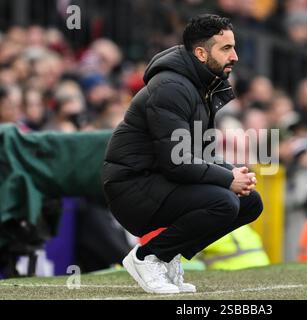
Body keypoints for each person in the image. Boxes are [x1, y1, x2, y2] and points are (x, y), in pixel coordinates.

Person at [101, 14, 263, 294]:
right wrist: (226, 179)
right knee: (224, 201)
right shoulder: (171, 87)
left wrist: (235, 174)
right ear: (200, 53)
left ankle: (168, 255)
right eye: (226, 48)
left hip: (159, 181)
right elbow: (177, 161)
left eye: (234, 47)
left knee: (250, 202)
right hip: (132, 188)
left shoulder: (200, 86)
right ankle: (147, 257)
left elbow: (203, 152)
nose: (235, 56)